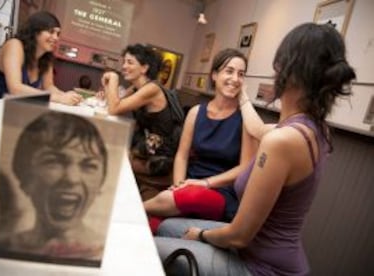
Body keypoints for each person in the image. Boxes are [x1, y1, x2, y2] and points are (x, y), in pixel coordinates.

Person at [155, 22, 356, 275]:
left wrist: (202, 234)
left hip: (262, 266)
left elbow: (238, 236)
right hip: (264, 253)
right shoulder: (314, 129)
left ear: (285, 71)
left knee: (152, 246)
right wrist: (242, 95)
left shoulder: (282, 140)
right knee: (167, 227)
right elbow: (259, 129)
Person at [144, 49, 257, 233]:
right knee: (152, 228)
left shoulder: (245, 119)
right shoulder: (196, 112)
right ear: (214, 75)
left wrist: (206, 183)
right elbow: (181, 155)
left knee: (192, 196)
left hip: (221, 192)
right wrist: (178, 185)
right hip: (189, 183)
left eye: (241, 74)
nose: (235, 79)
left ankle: (135, 208)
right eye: (229, 71)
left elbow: (245, 167)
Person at [0, 111, 108, 263]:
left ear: (100, 183)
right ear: (25, 179)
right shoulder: (4, 247)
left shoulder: (107, 251)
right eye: (54, 162)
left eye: (89, 165)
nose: (72, 179)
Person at [100, 43, 182, 197]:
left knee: (110, 162)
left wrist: (114, 78)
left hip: (161, 157)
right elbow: (115, 106)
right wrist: (106, 88)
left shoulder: (152, 89)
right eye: (123, 62)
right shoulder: (137, 88)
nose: (124, 66)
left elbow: (114, 109)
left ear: (144, 68)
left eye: (130, 62)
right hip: (145, 149)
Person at [0, 11, 82, 110]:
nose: (56, 38)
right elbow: (15, 88)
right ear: (35, 31)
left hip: (1, 112)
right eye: (51, 32)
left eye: (58, 33)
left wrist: (67, 96)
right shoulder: (15, 45)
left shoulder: (46, 57)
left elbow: (49, 87)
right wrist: (58, 98)